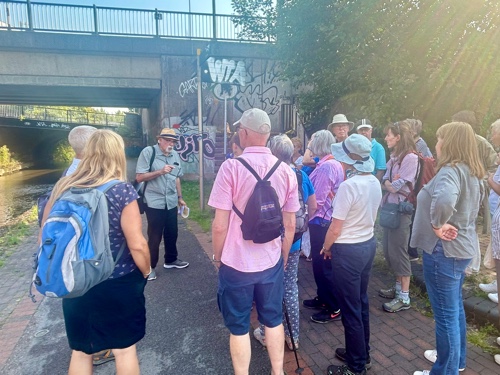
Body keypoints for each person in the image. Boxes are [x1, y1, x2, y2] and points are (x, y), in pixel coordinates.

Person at [39, 130, 151, 375]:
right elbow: (137, 244)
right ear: (116, 154)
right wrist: (146, 270)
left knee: (81, 350)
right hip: (118, 279)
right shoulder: (122, 191)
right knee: (124, 349)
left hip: (76, 279)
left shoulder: (64, 185)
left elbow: (45, 233)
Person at [208, 108, 299, 375]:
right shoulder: (286, 171)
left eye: (239, 129)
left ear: (245, 133)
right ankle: (278, 371)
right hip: (270, 259)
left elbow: (219, 224)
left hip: (236, 262)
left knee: (238, 326)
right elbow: (290, 224)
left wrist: (218, 256)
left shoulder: (230, 168)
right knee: (272, 320)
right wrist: (281, 258)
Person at [411, 122, 485, 375]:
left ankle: (445, 370)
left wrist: (436, 224)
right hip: (459, 249)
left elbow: (444, 200)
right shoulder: (472, 171)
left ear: (449, 142)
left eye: (439, 138)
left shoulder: (450, 170)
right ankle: (456, 361)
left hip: (444, 250)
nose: (436, 143)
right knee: (453, 310)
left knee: (445, 315)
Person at [321, 134, 382, 375]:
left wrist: (326, 247)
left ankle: (356, 367)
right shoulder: (374, 182)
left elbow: (335, 227)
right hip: (367, 244)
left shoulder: (349, 186)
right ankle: (361, 353)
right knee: (361, 302)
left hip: (348, 250)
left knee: (350, 308)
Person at [253, 134, 317, 351]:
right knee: (290, 287)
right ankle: (293, 337)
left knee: (267, 288)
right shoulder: (300, 175)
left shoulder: (267, 175)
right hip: (295, 241)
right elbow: (313, 206)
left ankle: (265, 331)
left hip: (271, 243)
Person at [135, 128, 189, 281]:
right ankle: (149, 267)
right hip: (154, 201)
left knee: (172, 232)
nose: (170, 143)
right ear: (159, 139)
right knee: (155, 236)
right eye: (167, 140)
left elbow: (176, 178)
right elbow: (139, 177)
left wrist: (180, 197)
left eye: (173, 141)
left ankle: (171, 260)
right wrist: (160, 171)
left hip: (171, 201)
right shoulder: (148, 152)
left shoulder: (175, 155)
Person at [302, 129, 344, 323]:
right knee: (320, 265)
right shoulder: (329, 163)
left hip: (321, 220)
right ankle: (324, 298)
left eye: (311, 141)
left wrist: (304, 214)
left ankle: (334, 306)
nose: (309, 145)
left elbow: (317, 200)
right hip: (323, 219)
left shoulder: (327, 167)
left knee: (323, 265)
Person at [379, 120, 419, 313]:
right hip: (390, 208)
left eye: (389, 135)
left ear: (399, 137)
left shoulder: (410, 158)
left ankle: (404, 297)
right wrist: (389, 182)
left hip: (401, 210)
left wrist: (389, 182)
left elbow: (395, 185)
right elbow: (386, 179)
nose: (386, 138)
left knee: (399, 251)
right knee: (389, 250)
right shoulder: (395, 157)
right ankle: (397, 289)